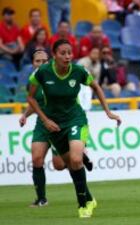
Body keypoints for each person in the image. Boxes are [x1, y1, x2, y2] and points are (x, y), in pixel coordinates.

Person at [28, 39, 121, 218]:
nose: (67, 56)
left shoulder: (78, 71)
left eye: (70, 52)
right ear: (54, 55)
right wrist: (45, 120)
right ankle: (89, 197)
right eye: (63, 53)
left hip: (75, 119)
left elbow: (96, 87)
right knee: (69, 164)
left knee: (76, 160)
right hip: (53, 125)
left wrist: (108, 112)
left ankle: (83, 205)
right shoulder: (43, 72)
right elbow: (31, 98)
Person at [20, 50, 94, 207]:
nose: (41, 64)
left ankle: (86, 195)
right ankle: (41, 199)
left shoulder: (53, 76)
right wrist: (25, 115)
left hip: (61, 125)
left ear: (50, 60)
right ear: (33, 63)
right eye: (38, 61)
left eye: (44, 60)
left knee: (61, 164)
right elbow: (35, 102)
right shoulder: (35, 80)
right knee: (36, 158)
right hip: (43, 124)